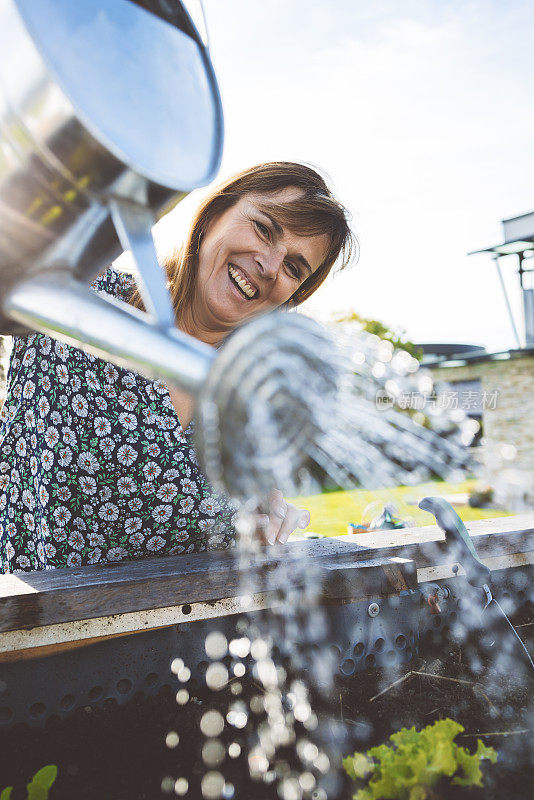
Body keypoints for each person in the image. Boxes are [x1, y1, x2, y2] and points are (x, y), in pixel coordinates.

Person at [0, 162, 353, 572]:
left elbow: (234, 536)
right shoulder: (80, 296)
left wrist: (261, 521)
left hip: (171, 634)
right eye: (264, 228)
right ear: (214, 214)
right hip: (21, 625)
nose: (271, 266)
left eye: (294, 268)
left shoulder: (251, 403)